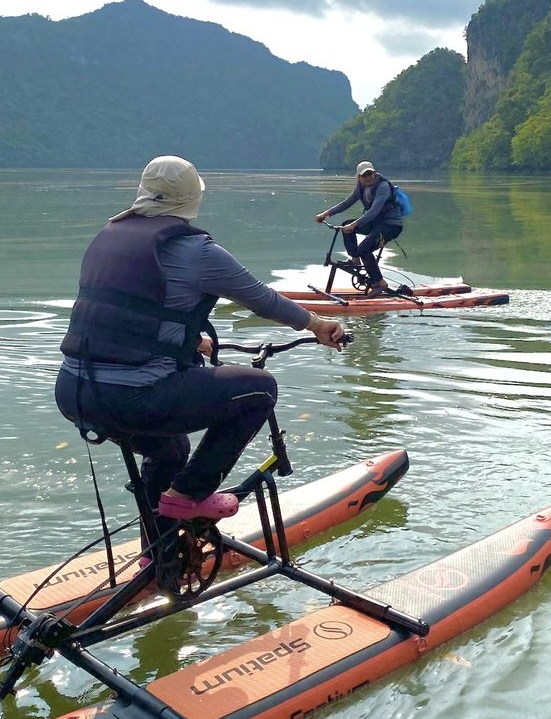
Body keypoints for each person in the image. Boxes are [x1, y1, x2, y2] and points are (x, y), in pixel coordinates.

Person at [55, 155, 346, 539]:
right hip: (133, 397)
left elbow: (126, 311)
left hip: (74, 392)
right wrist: (318, 325)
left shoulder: (109, 238)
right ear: (193, 197)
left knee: (170, 450)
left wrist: (189, 341)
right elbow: (262, 299)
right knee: (261, 390)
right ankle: (188, 496)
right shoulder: (198, 252)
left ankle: (161, 552)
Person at [314, 161, 404, 298]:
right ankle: (355, 260)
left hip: (390, 226)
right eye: (364, 175)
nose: (368, 177)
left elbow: (374, 211)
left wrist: (354, 224)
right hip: (376, 223)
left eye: (370, 174)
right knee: (346, 225)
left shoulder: (383, 187)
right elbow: (347, 202)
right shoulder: (361, 186)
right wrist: (326, 214)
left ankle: (380, 283)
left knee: (363, 249)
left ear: (374, 173)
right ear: (359, 177)